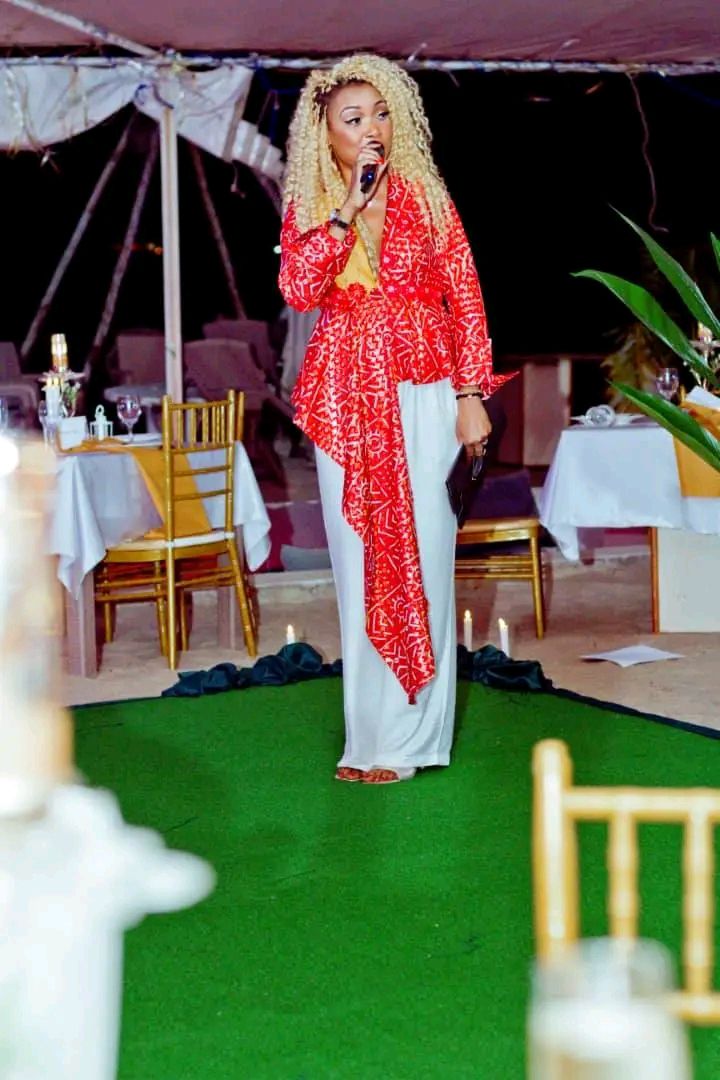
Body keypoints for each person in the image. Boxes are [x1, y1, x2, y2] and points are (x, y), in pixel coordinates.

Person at [279, 55, 512, 785]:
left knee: (425, 556)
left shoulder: (427, 198)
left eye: (382, 112)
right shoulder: (316, 205)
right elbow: (298, 288)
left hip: (425, 388)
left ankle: (411, 741)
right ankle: (368, 739)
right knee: (359, 563)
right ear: (326, 135)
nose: (372, 128)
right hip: (347, 398)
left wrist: (471, 395)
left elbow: (465, 297)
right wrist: (346, 210)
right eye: (353, 119)